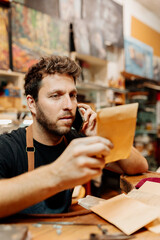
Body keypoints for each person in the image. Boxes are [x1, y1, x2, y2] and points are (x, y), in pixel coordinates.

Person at [0, 56, 148, 218]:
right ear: (32, 104)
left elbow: (138, 166)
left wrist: (101, 133)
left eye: (72, 95)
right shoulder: (8, 147)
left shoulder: (75, 140)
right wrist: (57, 173)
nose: (69, 105)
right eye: (55, 95)